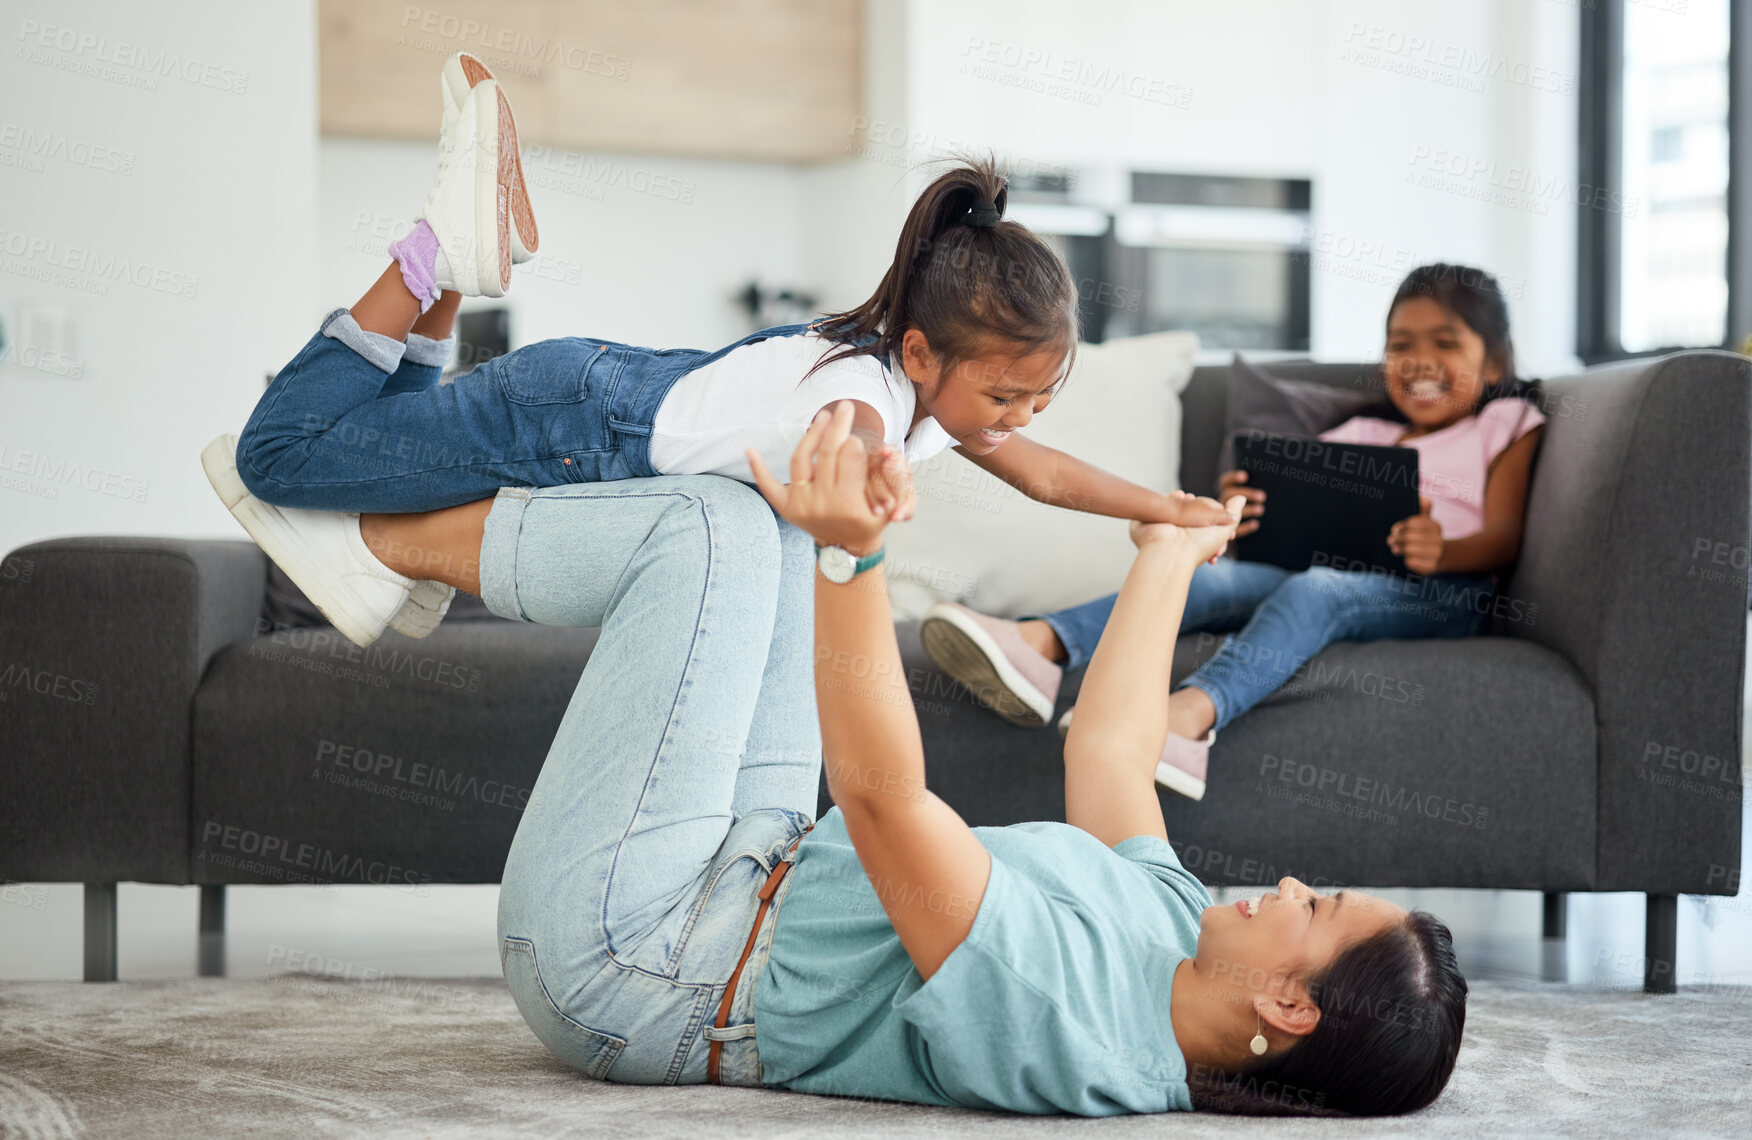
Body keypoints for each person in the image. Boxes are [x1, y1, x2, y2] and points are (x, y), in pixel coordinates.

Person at [347, 400, 1467, 1117]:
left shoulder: (1081, 1027)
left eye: (1312, 907)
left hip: (644, 962)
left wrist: (859, 565)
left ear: (1289, 1005)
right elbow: (1115, 757)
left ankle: (359, 543)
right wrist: (1171, 552)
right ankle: (392, 544)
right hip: (756, 861)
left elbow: (884, 806)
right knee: (767, 500)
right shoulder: (1182, 936)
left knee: (708, 536)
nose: (1284, 885)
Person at [200, 52, 1228, 649]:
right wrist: (870, 481)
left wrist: (1161, 506)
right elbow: (847, 435)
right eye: (1008, 397)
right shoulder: (871, 394)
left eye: (1036, 400)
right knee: (278, 457)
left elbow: (1046, 473)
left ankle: (460, 266)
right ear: (924, 354)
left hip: (591, 405)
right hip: (575, 425)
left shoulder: (924, 394)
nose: (1020, 422)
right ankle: (433, 252)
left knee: (376, 449)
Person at [920, 263, 1545, 801]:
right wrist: (1241, 512)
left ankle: (1188, 721)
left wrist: (1446, 552)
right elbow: (1304, 516)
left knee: (1318, 591)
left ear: (1495, 362)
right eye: (1402, 343)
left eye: (1446, 344)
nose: (1421, 362)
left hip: (1444, 594)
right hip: (1333, 572)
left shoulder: (1506, 421)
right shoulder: (1364, 436)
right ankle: (1042, 645)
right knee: (1220, 579)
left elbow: (1507, 536)